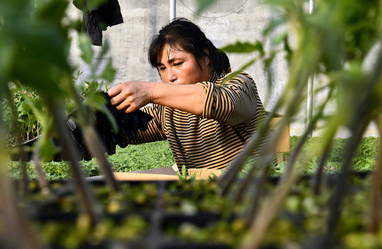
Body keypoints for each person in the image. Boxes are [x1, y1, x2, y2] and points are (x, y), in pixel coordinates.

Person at [107, 18, 266, 170]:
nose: (170, 77)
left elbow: (227, 103)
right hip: (201, 192)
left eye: (177, 64)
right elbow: (128, 127)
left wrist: (151, 91)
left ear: (204, 57)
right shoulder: (168, 111)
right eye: (162, 68)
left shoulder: (239, 83)